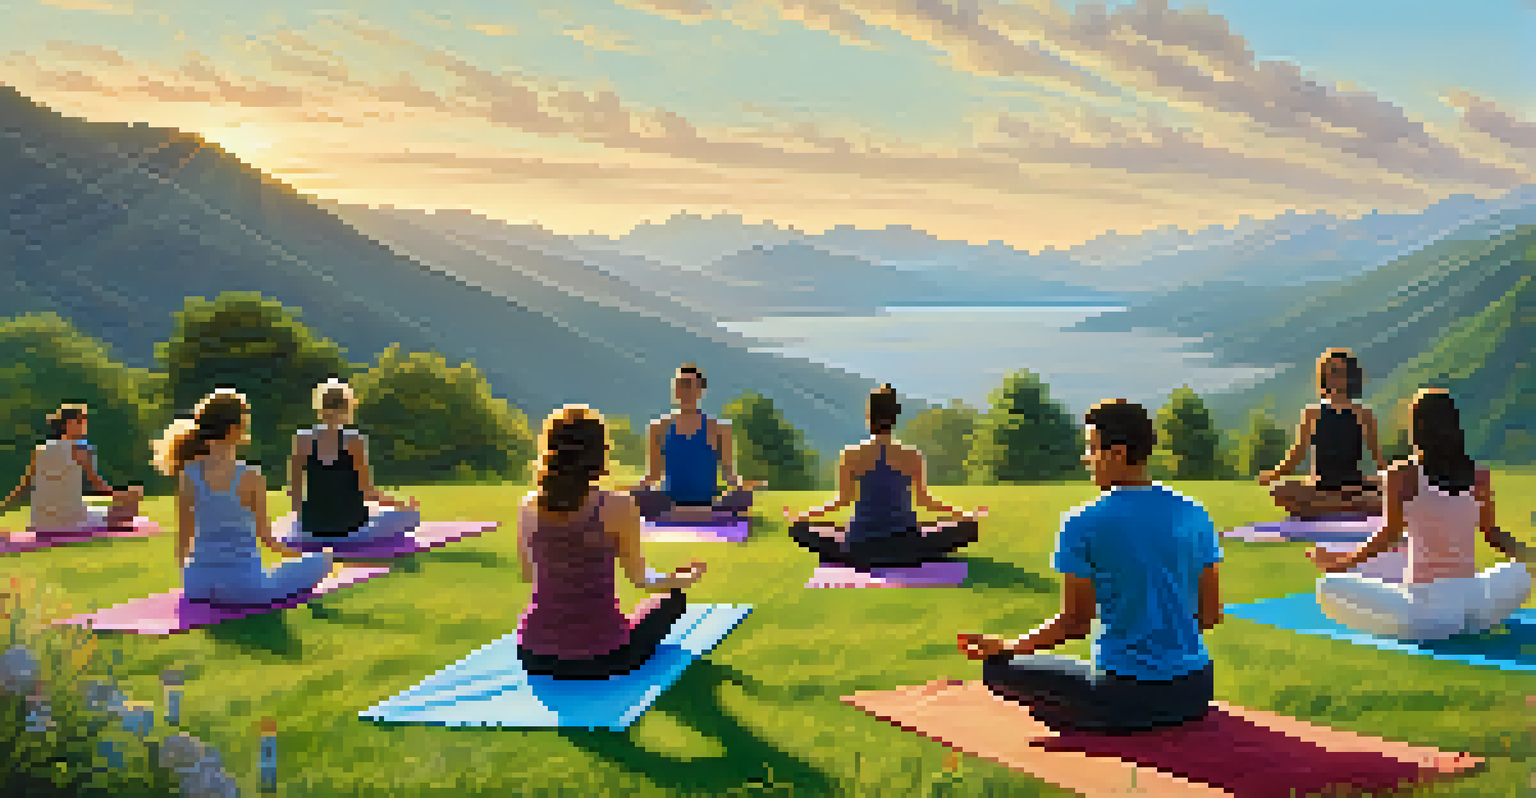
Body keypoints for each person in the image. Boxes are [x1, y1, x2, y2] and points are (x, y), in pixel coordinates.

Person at [959, 399, 1222, 735]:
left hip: (1124, 695)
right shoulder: (1195, 513)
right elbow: (1211, 614)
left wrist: (1009, 646)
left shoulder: (1082, 522)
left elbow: (1074, 623)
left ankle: (1076, 714)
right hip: (1196, 690)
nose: (1087, 458)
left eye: (1093, 448)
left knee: (996, 670)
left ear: (1118, 453)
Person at [1310, 389, 1532, 641]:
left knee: (1327, 587)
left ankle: (1430, 625)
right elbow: (1493, 535)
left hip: (1429, 616)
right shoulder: (1480, 475)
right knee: (1520, 572)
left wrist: (1340, 564)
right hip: (1475, 607)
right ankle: (1472, 622)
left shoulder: (1402, 474)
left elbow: (1389, 535)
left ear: (1418, 427)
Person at [517, 405, 706, 679]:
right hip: (603, 657)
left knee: (641, 611)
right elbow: (640, 579)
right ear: (598, 453)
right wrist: (681, 579)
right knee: (671, 601)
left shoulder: (528, 505)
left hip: (533, 656)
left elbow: (528, 574)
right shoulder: (616, 505)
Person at [153, 388, 332, 607]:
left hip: (197, 585)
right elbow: (268, 541)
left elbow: (184, 537)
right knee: (322, 560)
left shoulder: (188, 474)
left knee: (281, 571)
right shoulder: (251, 476)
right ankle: (315, 561)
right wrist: (303, 554)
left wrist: (187, 580)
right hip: (245, 589)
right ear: (234, 429)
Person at [785, 384, 985, 570]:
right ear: (894, 418)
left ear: (868, 417)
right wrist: (964, 514)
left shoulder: (851, 454)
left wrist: (803, 516)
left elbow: (842, 501)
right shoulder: (911, 454)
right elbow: (925, 501)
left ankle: (855, 550)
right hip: (907, 548)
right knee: (967, 527)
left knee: (800, 529)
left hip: (858, 548)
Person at [285, 379, 420, 543]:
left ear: (320, 408)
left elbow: (294, 490)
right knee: (412, 516)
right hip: (352, 530)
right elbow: (368, 492)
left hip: (314, 528)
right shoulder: (355, 440)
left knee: (374, 511)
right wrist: (402, 504)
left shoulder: (301, 439)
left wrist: (303, 524)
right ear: (347, 408)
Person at [1259, 348, 1386, 517]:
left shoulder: (1364, 414)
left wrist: (1393, 481)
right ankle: (1348, 506)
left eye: (1341, 372)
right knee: (1279, 490)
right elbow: (1297, 453)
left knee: (1388, 488)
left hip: (1353, 485)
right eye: (1332, 371)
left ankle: (1323, 507)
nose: (1336, 377)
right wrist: (1275, 474)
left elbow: (1378, 458)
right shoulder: (1312, 412)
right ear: (1324, 376)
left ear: (1351, 376)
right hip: (1320, 485)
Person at [631, 364, 761, 523]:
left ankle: (694, 515)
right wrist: (634, 489)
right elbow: (654, 474)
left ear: (700, 391)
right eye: (679, 385)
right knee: (638, 496)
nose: (683, 391)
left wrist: (742, 487)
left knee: (742, 497)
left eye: (688, 386)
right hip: (667, 503)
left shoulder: (719, 429)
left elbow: (729, 474)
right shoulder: (657, 427)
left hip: (708, 504)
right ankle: (693, 515)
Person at [0, 404, 142, 533]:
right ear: (67, 424)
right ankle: (109, 524)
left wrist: (3, 507)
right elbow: (100, 487)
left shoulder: (39, 449)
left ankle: (103, 519)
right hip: (71, 522)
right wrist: (127, 495)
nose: (85, 424)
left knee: (96, 509)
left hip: (40, 523)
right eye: (80, 420)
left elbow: (24, 487)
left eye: (85, 420)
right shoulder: (82, 450)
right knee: (131, 503)